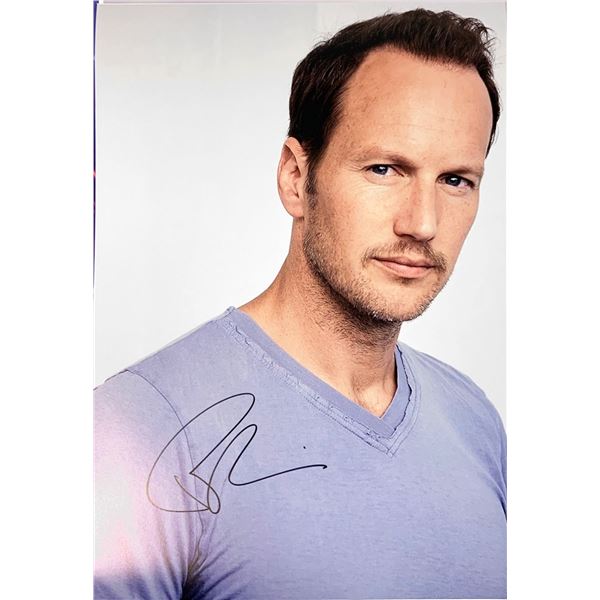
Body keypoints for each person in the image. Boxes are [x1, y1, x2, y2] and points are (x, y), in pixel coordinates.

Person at [95, 8, 506, 600]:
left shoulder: (475, 422)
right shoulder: (135, 427)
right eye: (385, 169)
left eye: (456, 180)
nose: (423, 223)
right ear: (295, 177)